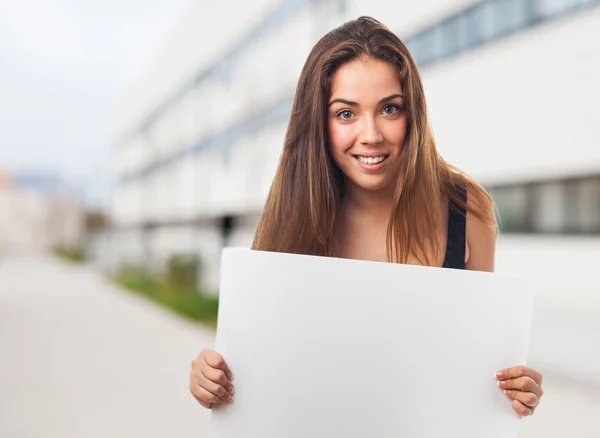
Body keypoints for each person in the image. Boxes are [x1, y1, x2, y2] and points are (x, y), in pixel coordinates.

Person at [189, 16, 543, 417]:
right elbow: (257, 368)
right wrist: (210, 379)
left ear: (414, 115)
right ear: (318, 123)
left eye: (389, 109)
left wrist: (515, 391)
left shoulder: (467, 209)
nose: (371, 134)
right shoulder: (292, 214)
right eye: (346, 114)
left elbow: (481, 367)